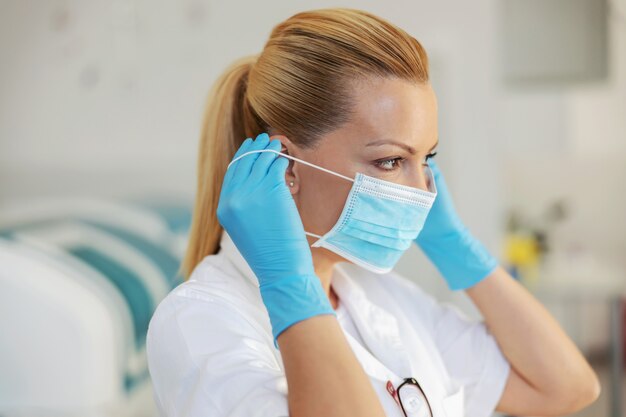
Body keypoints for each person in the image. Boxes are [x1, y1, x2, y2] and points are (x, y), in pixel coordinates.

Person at [146, 8, 600, 417]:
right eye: (390, 161)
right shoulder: (200, 323)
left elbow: (564, 388)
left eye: (427, 160)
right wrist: (290, 285)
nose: (423, 190)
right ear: (285, 168)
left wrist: (456, 248)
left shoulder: (379, 295)